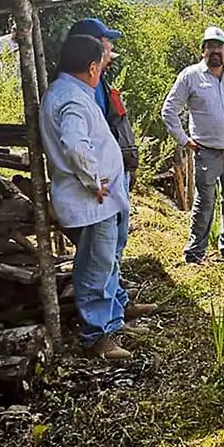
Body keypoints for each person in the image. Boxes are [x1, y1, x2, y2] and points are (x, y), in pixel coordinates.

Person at [38, 34, 145, 360]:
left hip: (99, 201)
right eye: (103, 62)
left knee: (107, 262)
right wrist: (94, 181)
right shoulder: (70, 98)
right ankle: (97, 338)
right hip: (91, 202)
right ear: (92, 67)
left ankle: (112, 322)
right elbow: (74, 145)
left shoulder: (70, 92)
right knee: (95, 269)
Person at [161, 26, 224, 265]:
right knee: (205, 203)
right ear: (203, 50)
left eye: (219, 46)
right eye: (210, 46)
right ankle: (195, 254)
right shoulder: (190, 76)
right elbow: (169, 111)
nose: (215, 51)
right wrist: (184, 140)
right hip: (206, 152)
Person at [66, 18, 142, 298]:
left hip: (113, 174)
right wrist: (97, 179)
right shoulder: (82, 88)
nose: (110, 46)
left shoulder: (98, 80)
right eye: (106, 41)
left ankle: (115, 290)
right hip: (102, 181)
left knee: (116, 239)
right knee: (102, 247)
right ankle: (101, 318)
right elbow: (82, 141)